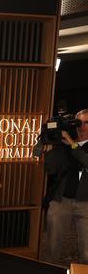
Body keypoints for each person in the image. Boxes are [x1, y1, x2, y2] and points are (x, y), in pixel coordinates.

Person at [44, 108, 88, 265]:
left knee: (86, 251)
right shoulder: (63, 143)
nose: (81, 126)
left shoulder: (70, 143)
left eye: (86, 122)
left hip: (86, 203)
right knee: (52, 246)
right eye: (79, 122)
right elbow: (51, 170)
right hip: (62, 200)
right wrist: (50, 149)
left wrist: (72, 144)